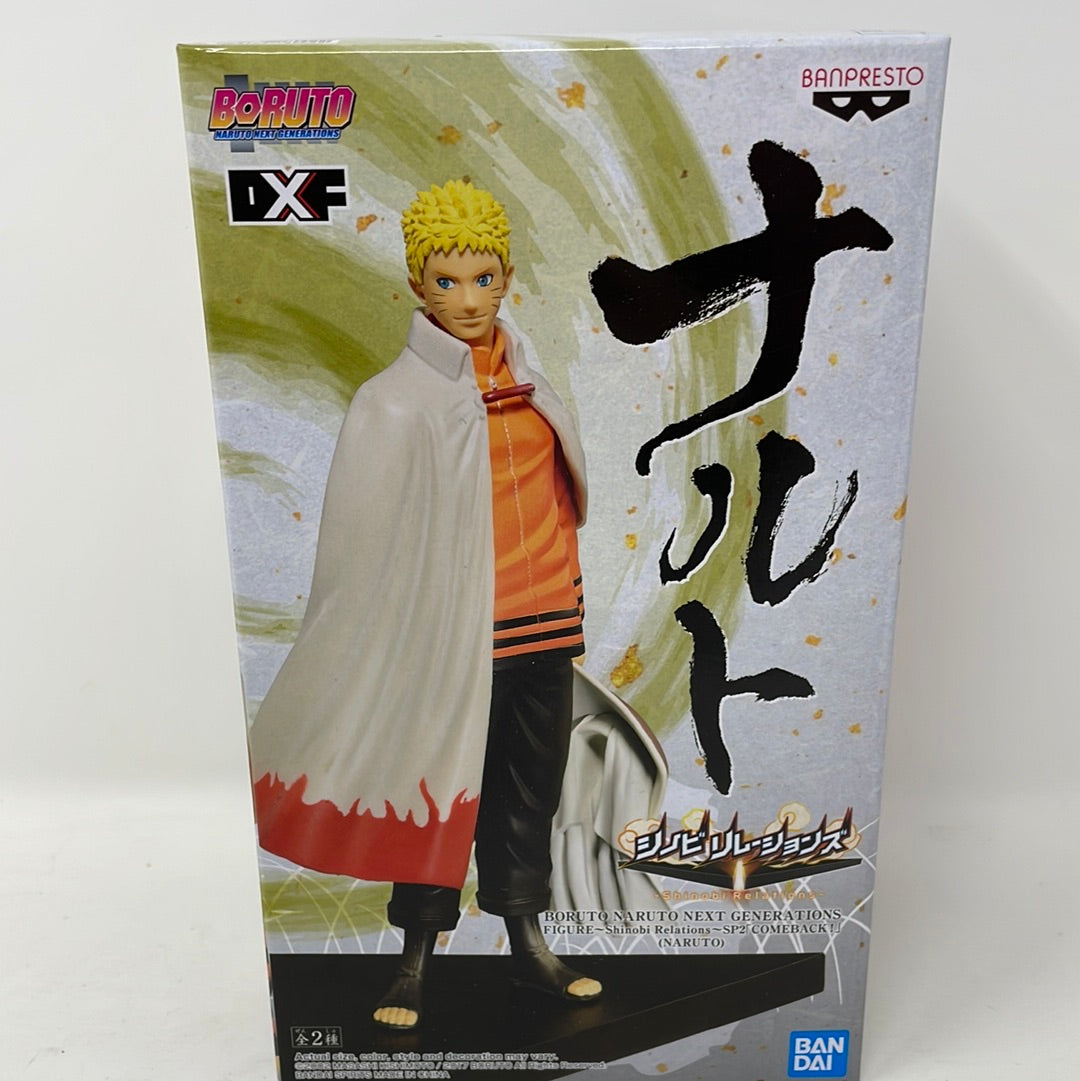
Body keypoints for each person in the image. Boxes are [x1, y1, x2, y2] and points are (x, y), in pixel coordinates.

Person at [248, 180, 663, 1031]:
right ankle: (414, 957)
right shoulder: (393, 402)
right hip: (451, 639)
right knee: (434, 791)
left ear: (507, 277)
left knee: (527, 798)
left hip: (545, 626)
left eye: (483, 278)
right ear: (417, 285)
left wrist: (569, 593)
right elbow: (361, 543)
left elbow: (557, 501)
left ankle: (529, 946)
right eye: (447, 281)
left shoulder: (535, 385)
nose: (468, 300)